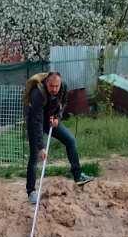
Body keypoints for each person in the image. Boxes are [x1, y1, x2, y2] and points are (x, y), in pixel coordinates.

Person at [24, 71, 92, 205]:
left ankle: (78, 175)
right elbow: (37, 121)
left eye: (57, 86)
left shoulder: (63, 87)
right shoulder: (38, 93)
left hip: (50, 119)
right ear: (46, 83)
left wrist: (57, 117)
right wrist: (41, 147)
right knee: (34, 156)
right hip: (35, 120)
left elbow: (63, 104)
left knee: (70, 140)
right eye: (51, 86)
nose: (54, 89)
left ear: (60, 84)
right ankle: (31, 191)